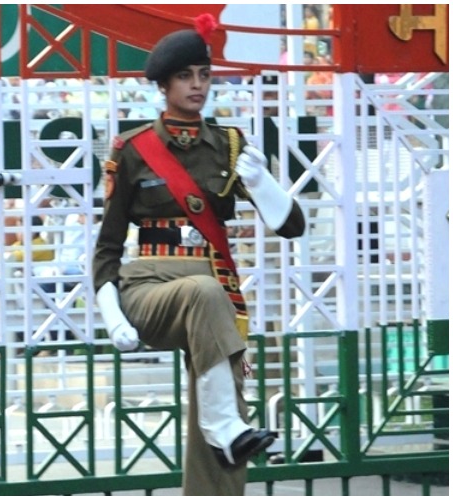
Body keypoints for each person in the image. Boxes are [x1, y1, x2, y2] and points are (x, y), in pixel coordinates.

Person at [92, 14, 306, 496]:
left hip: (215, 288)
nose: (197, 85)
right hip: (150, 289)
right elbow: (108, 245)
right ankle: (226, 430)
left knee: (226, 391)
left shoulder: (229, 145)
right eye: (185, 76)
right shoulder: (132, 149)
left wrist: (262, 184)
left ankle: (225, 449)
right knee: (206, 297)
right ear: (163, 85)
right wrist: (111, 312)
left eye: (204, 75)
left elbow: (292, 228)